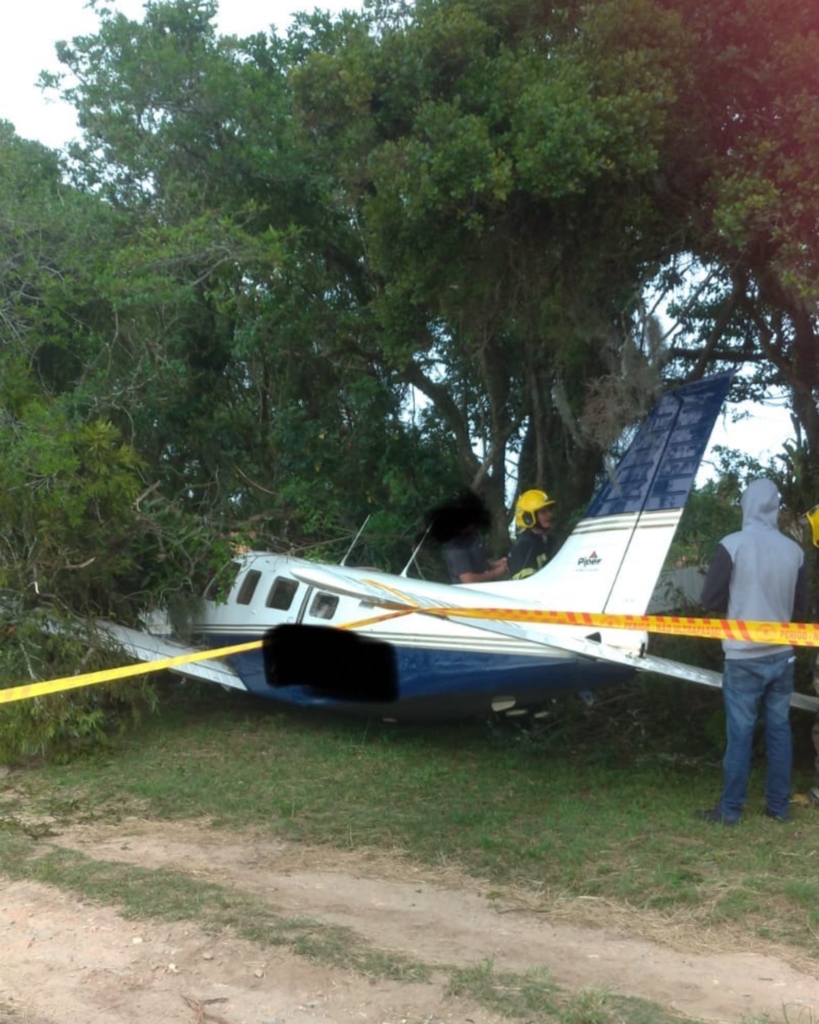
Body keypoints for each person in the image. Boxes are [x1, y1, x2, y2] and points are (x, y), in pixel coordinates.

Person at [697, 478, 807, 825]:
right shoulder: (795, 551)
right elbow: (801, 613)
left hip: (743, 657)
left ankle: (730, 811)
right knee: (779, 730)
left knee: (740, 733)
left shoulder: (732, 545)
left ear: (746, 505)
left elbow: (709, 600)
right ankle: (779, 808)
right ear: (774, 507)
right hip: (782, 656)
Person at [507, 489, 557, 580]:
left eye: (549, 510)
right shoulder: (523, 548)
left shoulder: (550, 541)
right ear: (528, 517)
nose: (549, 515)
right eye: (543, 512)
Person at [443, 526, 508, 584]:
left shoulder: (474, 534)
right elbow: (468, 580)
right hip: (469, 595)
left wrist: (495, 564)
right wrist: (496, 572)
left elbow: (476, 562)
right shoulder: (457, 545)